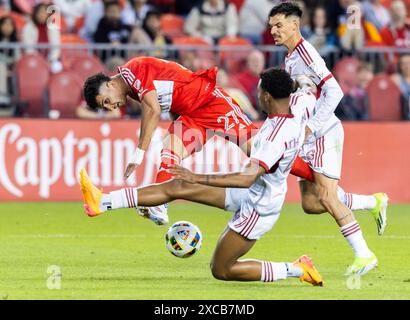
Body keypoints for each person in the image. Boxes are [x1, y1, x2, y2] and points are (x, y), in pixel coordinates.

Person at [79, 67, 324, 286]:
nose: (255, 96)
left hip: (259, 202)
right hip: (208, 129)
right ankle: (104, 202)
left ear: (268, 96)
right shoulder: (296, 108)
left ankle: (296, 269)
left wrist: (196, 176)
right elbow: (307, 94)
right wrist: (303, 82)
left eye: (259, 92)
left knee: (222, 269)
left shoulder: (274, 137)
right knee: (176, 183)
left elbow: (246, 178)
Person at [268, 2, 388, 275]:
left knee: (326, 195)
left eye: (279, 25)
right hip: (307, 135)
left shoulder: (306, 53)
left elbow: (334, 91)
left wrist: (311, 128)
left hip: (322, 133)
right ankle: (373, 202)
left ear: (294, 24)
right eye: (271, 26)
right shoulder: (289, 57)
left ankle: (365, 255)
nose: (273, 31)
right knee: (311, 204)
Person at [83, 56, 257, 225]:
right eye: (104, 107)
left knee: (259, 152)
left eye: (106, 100)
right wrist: (179, 127)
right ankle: (159, 206)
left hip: (210, 102)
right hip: (191, 116)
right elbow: (173, 95)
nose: (110, 107)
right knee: (170, 153)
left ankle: (278, 178)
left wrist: (139, 153)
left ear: (110, 84)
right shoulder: (133, 90)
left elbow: (153, 110)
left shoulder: (133, 70)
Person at [22, 3, 62, 73]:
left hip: (50, 60)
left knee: (57, 67)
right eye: (40, 12)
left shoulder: (53, 27)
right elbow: (28, 48)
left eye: (44, 12)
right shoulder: (28, 27)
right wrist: (39, 61)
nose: (42, 15)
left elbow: (56, 47)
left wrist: (50, 60)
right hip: (33, 59)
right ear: (35, 14)